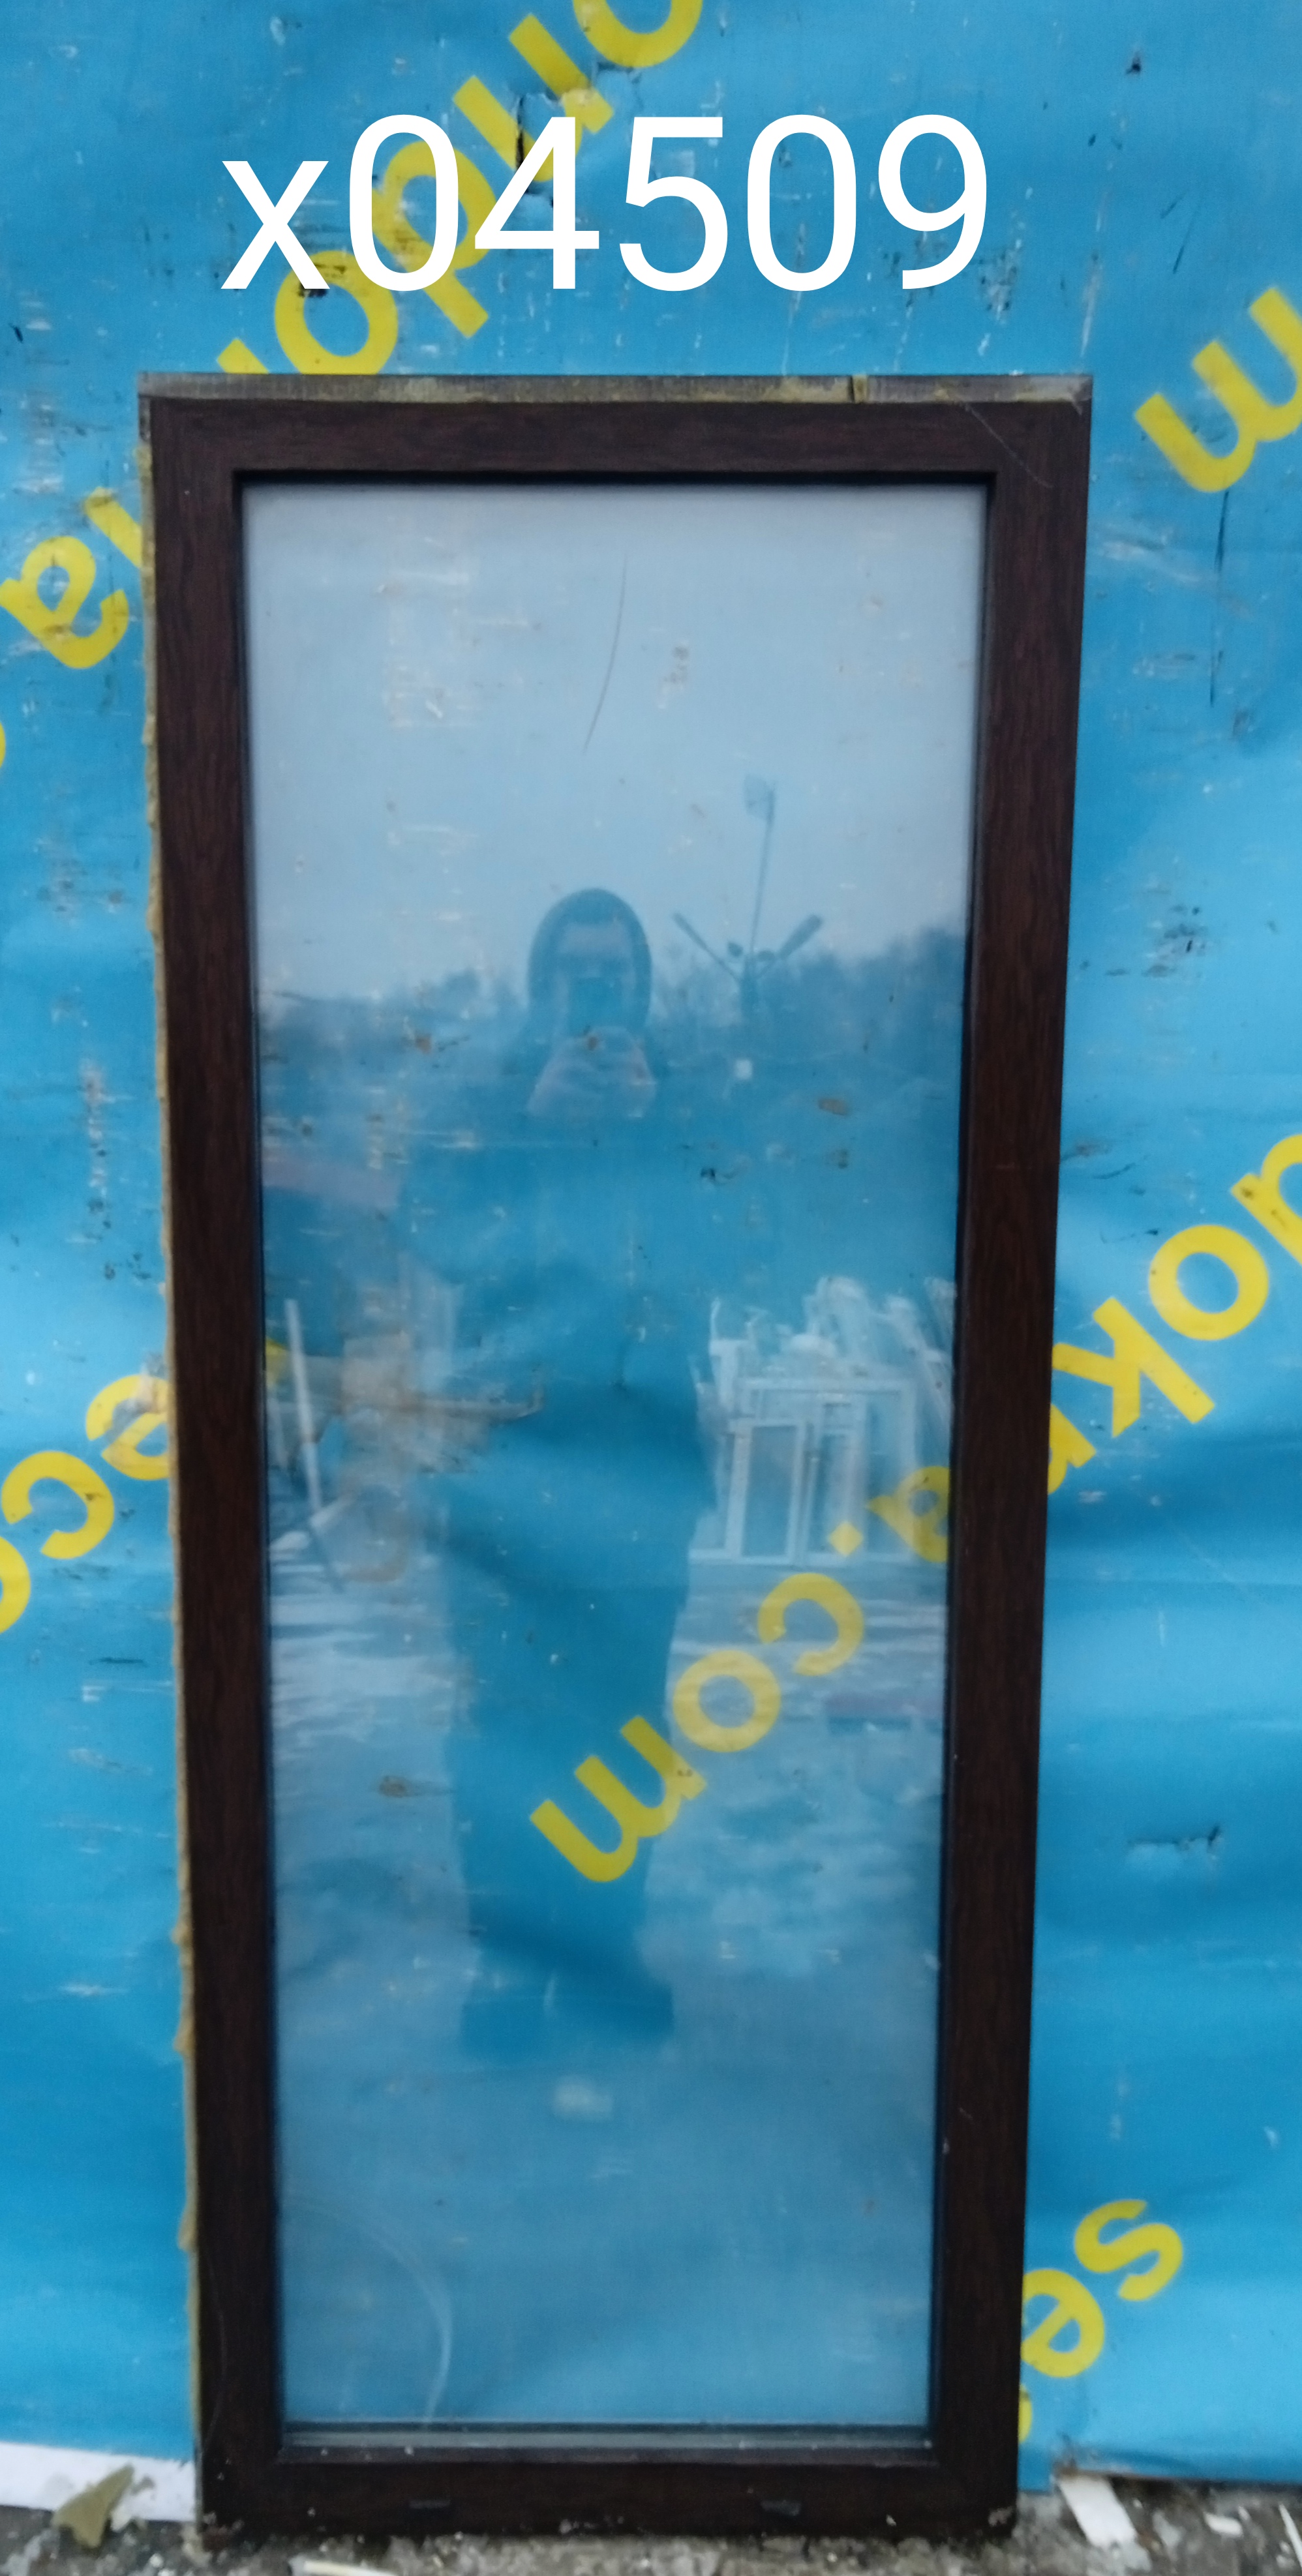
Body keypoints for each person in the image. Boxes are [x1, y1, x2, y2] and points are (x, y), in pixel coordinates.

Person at [401, 890, 714, 2058]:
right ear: (541, 985)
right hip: (502, 1461)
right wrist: (529, 1127)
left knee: (623, 1724)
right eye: (575, 973)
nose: (594, 993)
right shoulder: (485, 1099)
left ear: (642, 987)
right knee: (503, 1716)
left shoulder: (681, 1102)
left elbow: (751, 1248)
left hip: (643, 1470)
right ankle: (506, 1966)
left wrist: (656, 1128)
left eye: (613, 974)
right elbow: (430, 1229)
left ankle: (603, 1952)